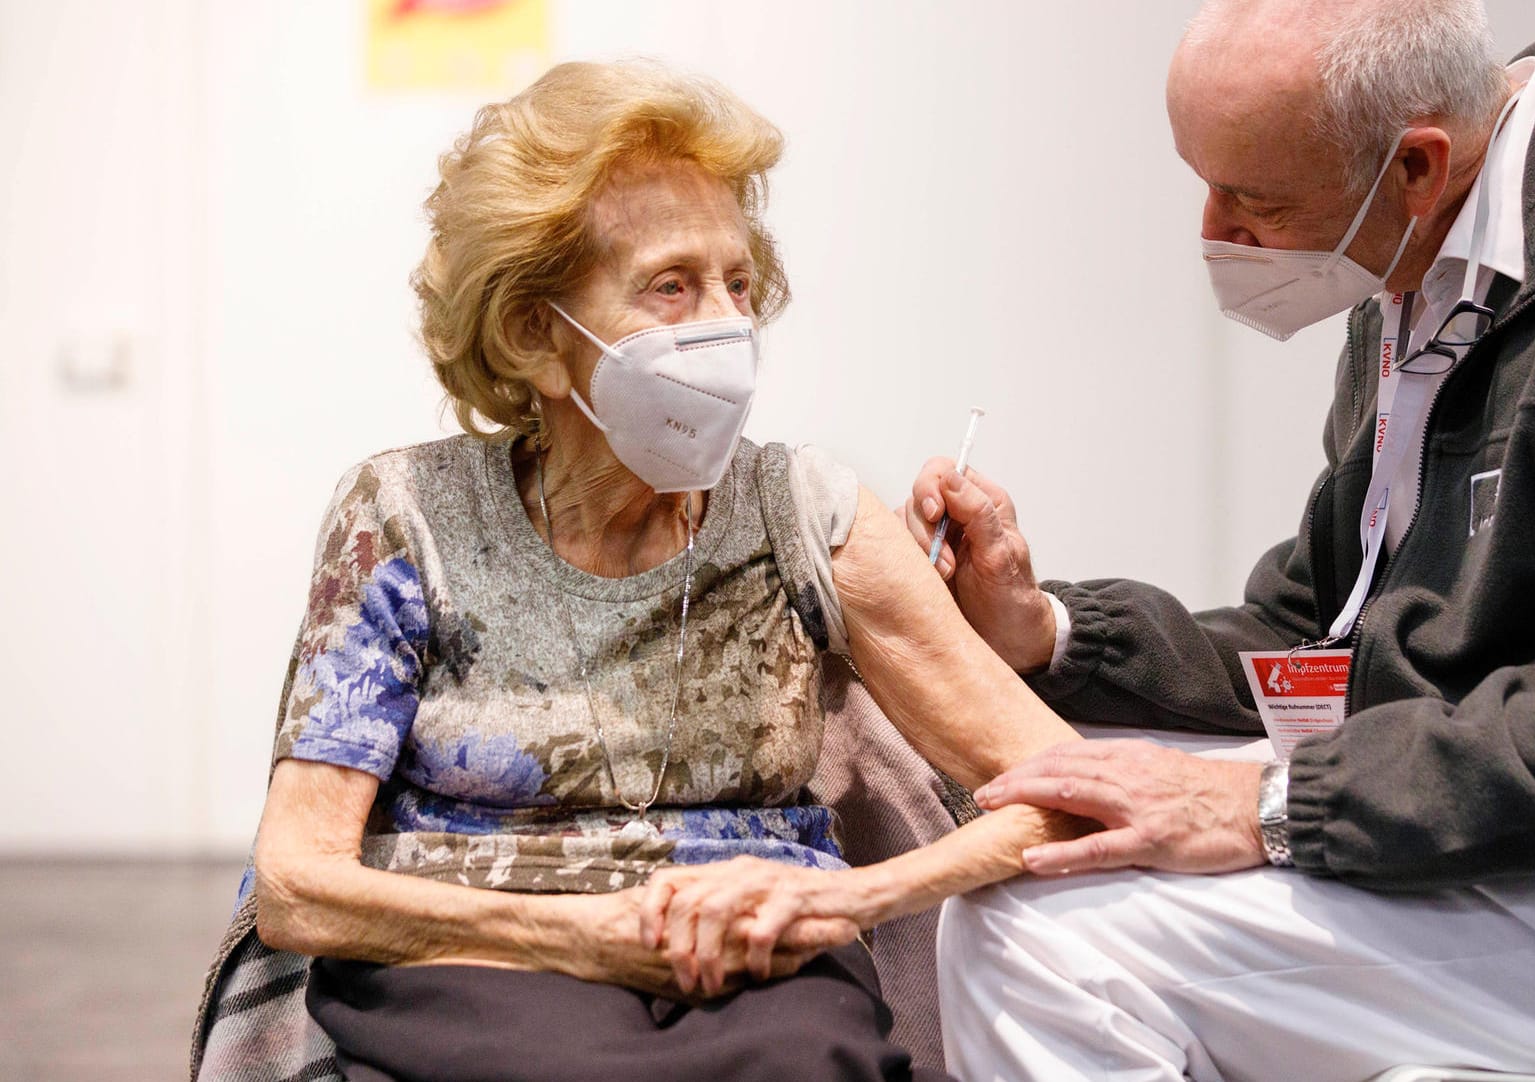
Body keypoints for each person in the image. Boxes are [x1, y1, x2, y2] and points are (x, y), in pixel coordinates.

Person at [909, 1, 1535, 1080]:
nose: (1214, 231)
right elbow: (1327, 637)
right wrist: (1053, 632)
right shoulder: (1418, 271)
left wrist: (1268, 806)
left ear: (1417, 169)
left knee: (1037, 936)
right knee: (1061, 809)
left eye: (1253, 198)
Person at [240, 59, 1091, 1082]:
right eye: (671, 286)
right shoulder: (407, 514)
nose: (723, 326)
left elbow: (1069, 790)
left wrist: (846, 899)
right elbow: (298, 880)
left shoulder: (802, 513)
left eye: (738, 283)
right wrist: (584, 934)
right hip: (478, 957)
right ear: (534, 336)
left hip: (764, 963)